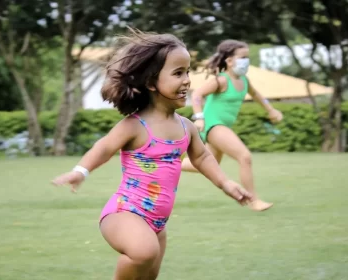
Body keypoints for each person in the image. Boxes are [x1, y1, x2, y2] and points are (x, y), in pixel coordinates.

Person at [51, 28, 252, 280]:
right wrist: (80, 171)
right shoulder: (135, 125)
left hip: (157, 222)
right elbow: (104, 147)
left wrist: (226, 183)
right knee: (144, 252)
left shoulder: (186, 126)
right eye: (178, 73)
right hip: (125, 213)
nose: (187, 80)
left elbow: (202, 157)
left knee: (149, 275)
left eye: (187, 71)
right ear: (150, 82)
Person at [181, 39, 283, 212]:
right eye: (242, 57)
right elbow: (197, 94)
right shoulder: (221, 80)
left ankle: (169, 162)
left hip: (222, 126)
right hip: (213, 125)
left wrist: (271, 110)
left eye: (247, 57)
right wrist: (199, 117)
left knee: (205, 165)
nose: (246, 61)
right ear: (229, 61)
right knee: (244, 156)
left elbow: (257, 95)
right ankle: (254, 201)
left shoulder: (244, 81)